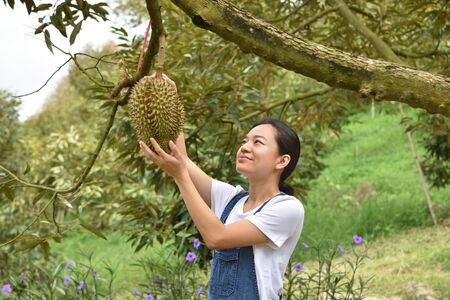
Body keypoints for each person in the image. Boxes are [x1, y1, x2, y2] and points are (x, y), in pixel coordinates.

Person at [139, 91, 304, 299]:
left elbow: (217, 237)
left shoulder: (287, 208)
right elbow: (182, 160)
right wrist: (171, 96)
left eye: (257, 142)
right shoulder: (231, 199)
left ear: (282, 161)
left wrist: (180, 177)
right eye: (245, 141)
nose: (244, 147)